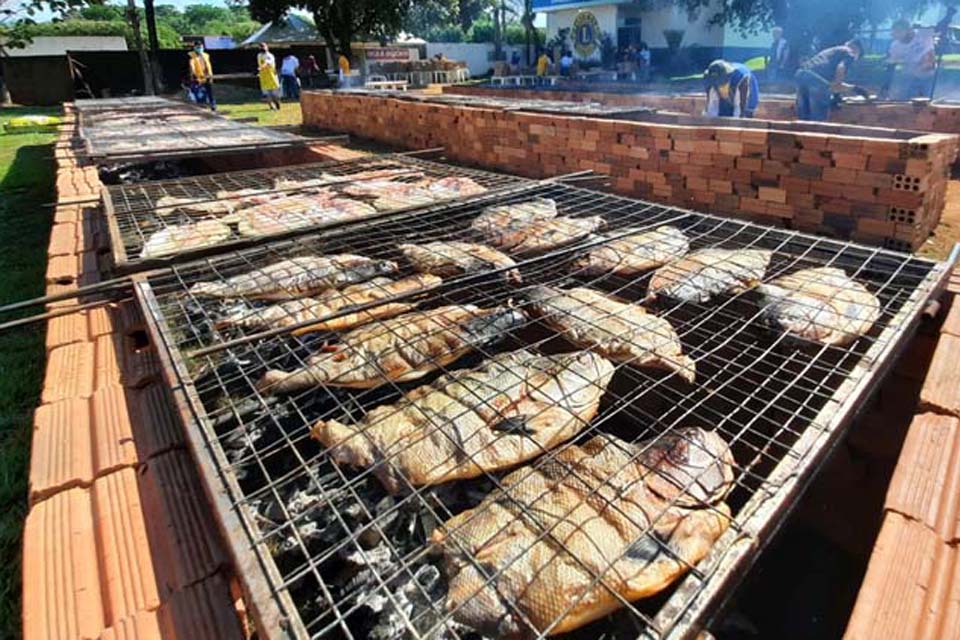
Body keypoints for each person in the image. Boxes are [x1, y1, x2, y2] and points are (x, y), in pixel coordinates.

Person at [794, 39, 863, 121]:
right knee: (818, 117)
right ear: (857, 49)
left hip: (801, 75)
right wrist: (837, 87)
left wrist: (854, 88)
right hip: (816, 80)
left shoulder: (832, 51)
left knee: (804, 116)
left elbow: (830, 84)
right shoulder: (849, 52)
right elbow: (840, 69)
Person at [886, 19, 936, 100]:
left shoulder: (923, 35)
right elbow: (892, 64)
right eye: (894, 32)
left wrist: (925, 27)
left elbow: (938, 29)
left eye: (899, 31)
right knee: (906, 103)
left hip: (929, 77)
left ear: (909, 30)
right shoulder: (895, 46)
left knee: (928, 102)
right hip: (909, 79)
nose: (896, 34)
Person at [188, 41, 216, 111]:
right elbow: (192, 66)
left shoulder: (206, 56)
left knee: (210, 91)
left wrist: (210, 76)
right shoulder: (192, 56)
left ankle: (213, 104)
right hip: (197, 77)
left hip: (207, 76)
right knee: (197, 91)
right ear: (194, 48)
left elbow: (208, 66)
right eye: (198, 47)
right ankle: (200, 105)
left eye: (201, 47)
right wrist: (193, 75)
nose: (200, 48)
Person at [257, 43, 281, 110]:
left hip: (272, 77)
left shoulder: (270, 56)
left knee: (275, 94)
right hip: (263, 77)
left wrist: (261, 67)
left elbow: (267, 63)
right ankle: (271, 107)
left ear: (267, 47)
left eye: (263, 47)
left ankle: (277, 104)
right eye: (261, 47)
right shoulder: (259, 55)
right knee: (267, 94)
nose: (262, 48)